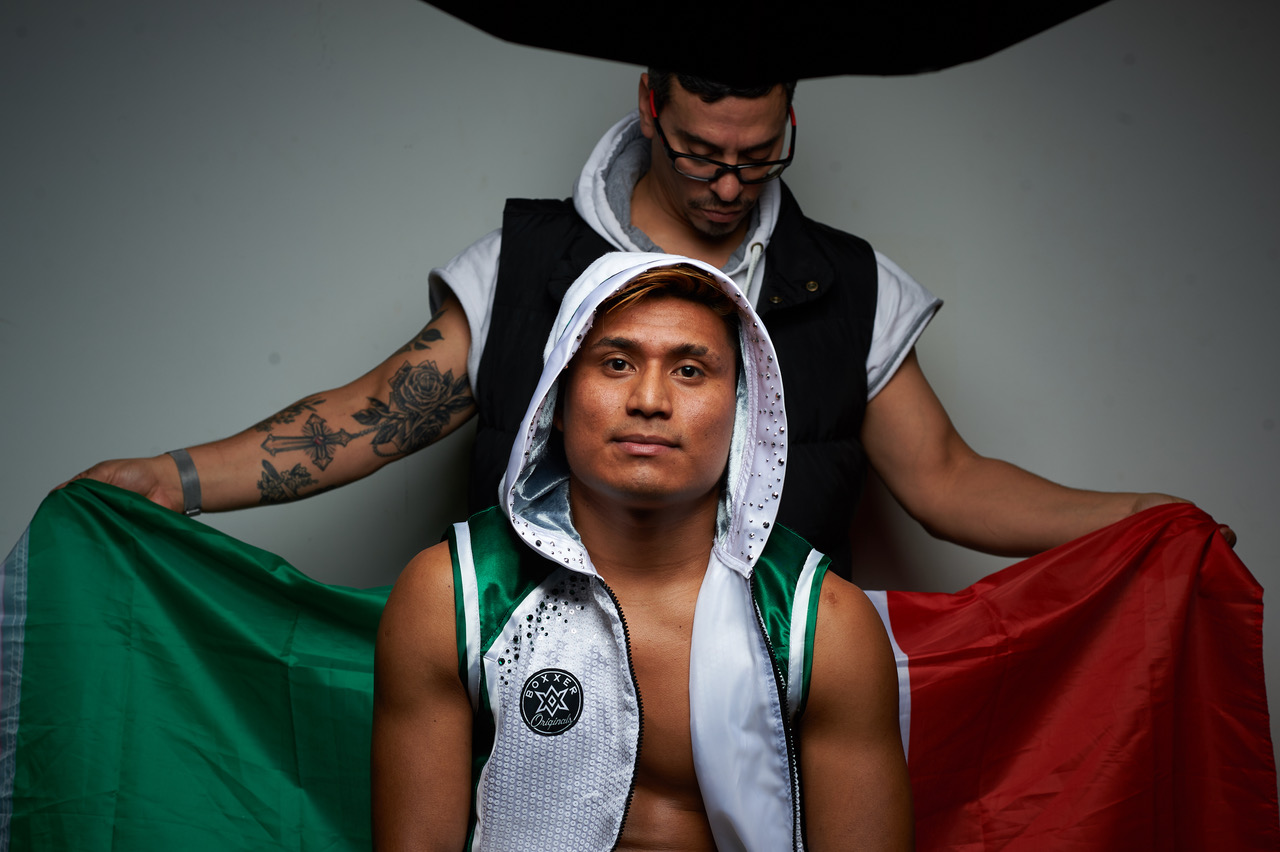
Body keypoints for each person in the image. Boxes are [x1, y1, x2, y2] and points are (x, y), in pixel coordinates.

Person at [64, 69, 1232, 575]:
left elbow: (948, 482)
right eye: (697, 152)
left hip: (769, 706)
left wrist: (1138, 516)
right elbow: (373, 413)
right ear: (647, 102)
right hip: (529, 695)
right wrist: (171, 480)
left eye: (757, 156)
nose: (728, 185)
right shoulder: (522, 265)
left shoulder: (848, 283)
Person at [370, 253, 913, 850]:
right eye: (617, 363)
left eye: (689, 370)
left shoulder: (823, 623)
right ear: (559, 393)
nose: (649, 399)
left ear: (743, 407)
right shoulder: (454, 594)